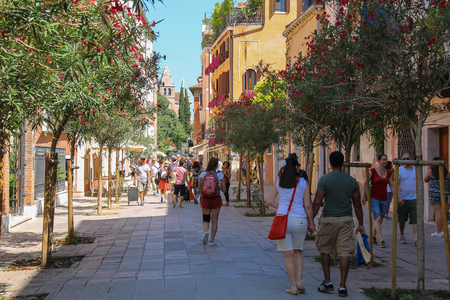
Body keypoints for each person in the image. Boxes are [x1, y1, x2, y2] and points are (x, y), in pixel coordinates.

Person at [312, 151, 365, 298]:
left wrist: (311, 219)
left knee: (324, 249)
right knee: (345, 252)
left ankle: (327, 281)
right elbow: (357, 205)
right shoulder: (352, 181)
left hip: (328, 219)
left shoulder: (324, 179)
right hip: (346, 220)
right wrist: (360, 223)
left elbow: (317, 201)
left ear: (330, 163)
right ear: (343, 163)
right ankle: (342, 286)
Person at [268, 156, 315, 295]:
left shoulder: (278, 182)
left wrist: (281, 207)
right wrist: (311, 223)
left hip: (283, 219)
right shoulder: (303, 183)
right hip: (300, 220)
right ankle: (300, 282)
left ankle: (293, 286)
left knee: (288, 255)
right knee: (298, 251)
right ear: (296, 167)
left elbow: (270, 201)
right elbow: (307, 205)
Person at [363, 153, 393, 248]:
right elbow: (365, 183)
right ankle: (382, 240)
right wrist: (362, 195)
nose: (385, 161)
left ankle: (373, 236)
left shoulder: (389, 173)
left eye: (386, 159)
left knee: (381, 219)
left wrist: (397, 196)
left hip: (384, 198)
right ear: (379, 161)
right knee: (378, 217)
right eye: (383, 159)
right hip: (374, 198)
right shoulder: (373, 171)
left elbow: (392, 185)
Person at [198, 157, 226, 246]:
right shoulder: (220, 175)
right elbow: (224, 190)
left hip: (205, 198)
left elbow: (199, 189)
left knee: (205, 219)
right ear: (216, 165)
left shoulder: (203, 174)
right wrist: (218, 187)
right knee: (214, 220)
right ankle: (212, 240)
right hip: (216, 199)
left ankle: (206, 231)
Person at [425, 157, 450, 237]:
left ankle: (438, 231)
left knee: (437, 212)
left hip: (434, 194)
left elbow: (425, 180)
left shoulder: (431, 172)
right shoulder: (446, 172)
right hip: (444, 193)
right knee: (442, 211)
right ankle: (443, 231)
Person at [397, 153, 418, 245]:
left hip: (414, 198)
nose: (405, 161)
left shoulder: (416, 169)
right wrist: (399, 197)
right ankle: (402, 235)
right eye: (404, 159)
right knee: (402, 219)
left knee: (415, 219)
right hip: (403, 198)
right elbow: (396, 184)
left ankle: (416, 238)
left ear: (411, 158)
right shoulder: (400, 170)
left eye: (407, 159)